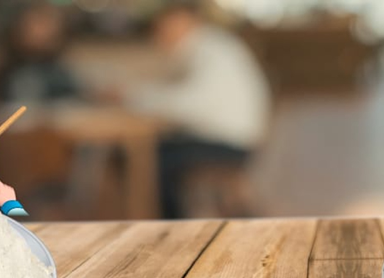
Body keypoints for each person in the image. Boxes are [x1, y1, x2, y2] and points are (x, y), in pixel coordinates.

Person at [111, 1, 271, 218]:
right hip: (233, 138)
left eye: (165, 25)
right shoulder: (212, 45)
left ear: (185, 21)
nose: (160, 33)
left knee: (151, 160)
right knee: (143, 153)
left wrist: (133, 97)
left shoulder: (206, 49)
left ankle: (170, 229)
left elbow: (190, 105)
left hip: (227, 142)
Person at [0, 1, 80, 107]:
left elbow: (74, 95)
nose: (48, 31)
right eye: (39, 24)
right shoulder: (13, 72)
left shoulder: (57, 68)